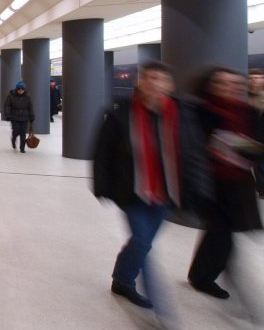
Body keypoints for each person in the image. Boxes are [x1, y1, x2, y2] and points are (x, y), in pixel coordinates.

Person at [93, 61, 202, 310]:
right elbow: (103, 152)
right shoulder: (122, 113)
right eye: (149, 78)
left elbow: (193, 154)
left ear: (170, 85)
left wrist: (197, 189)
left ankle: (121, 279)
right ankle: (163, 311)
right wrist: (102, 186)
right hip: (133, 191)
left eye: (160, 79)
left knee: (141, 242)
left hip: (166, 193)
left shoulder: (182, 115)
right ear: (139, 82)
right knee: (142, 241)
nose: (154, 83)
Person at [187, 66, 263, 300]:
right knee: (222, 234)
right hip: (209, 183)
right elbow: (191, 145)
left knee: (221, 232)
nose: (228, 88)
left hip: (238, 183)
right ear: (211, 85)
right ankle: (204, 277)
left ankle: (200, 274)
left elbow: (257, 146)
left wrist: (240, 147)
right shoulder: (200, 111)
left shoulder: (248, 112)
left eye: (233, 84)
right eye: (222, 83)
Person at [3, 81, 35, 153]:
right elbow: (7, 105)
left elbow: (30, 107)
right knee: (16, 130)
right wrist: (7, 115)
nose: (21, 91)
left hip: (24, 117)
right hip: (14, 116)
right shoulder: (11, 96)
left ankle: (22, 148)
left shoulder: (27, 96)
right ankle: (13, 139)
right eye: (19, 89)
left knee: (23, 132)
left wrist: (32, 116)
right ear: (16, 89)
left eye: (22, 90)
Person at [248, 68, 264, 198]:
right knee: (258, 164)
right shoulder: (244, 97)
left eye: (258, 78)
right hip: (251, 135)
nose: (255, 81)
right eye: (252, 78)